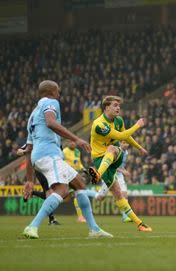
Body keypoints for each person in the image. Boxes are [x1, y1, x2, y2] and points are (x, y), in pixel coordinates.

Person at [22, 80, 112, 239]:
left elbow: (28, 149)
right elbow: (51, 122)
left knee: (79, 183)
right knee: (62, 191)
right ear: (51, 92)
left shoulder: (33, 115)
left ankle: (94, 229)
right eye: (58, 91)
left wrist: (29, 180)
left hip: (38, 156)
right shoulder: (52, 102)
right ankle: (32, 226)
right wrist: (76, 139)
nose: (59, 94)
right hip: (49, 154)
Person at [87, 96, 152, 232]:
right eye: (115, 105)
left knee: (112, 148)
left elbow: (125, 136)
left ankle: (98, 174)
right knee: (118, 193)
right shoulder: (99, 124)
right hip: (100, 159)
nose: (118, 108)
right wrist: (137, 125)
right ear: (106, 108)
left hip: (114, 156)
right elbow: (121, 136)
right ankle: (139, 224)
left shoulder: (118, 120)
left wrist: (139, 147)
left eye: (119, 106)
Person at [17, 144, 60, 225]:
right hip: (39, 169)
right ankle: (51, 219)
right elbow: (18, 151)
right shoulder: (31, 141)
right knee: (49, 193)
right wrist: (25, 151)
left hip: (50, 168)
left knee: (49, 194)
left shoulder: (48, 139)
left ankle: (31, 192)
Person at [95, 141, 132, 222]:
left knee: (124, 194)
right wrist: (123, 171)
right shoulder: (115, 150)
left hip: (119, 176)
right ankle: (88, 193)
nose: (125, 144)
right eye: (123, 143)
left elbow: (120, 166)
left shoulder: (126, 153)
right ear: (120, 143)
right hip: (110, 174)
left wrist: (124, 171)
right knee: (100, 198)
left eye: (127, 143)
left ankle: (125, 216)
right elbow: (111, 165)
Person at [63, 140, 97, 223]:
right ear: (68, 143)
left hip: (75, 175)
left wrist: (83, 169)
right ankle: (51, 215)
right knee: (62, 195)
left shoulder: (77, 151)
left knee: (77, 194)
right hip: (66, 175)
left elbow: (78, 163)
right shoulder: (64, 151)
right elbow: (61, 162)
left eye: (74, 142)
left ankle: (81, 216)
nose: (73, 143)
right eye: (71, 142)